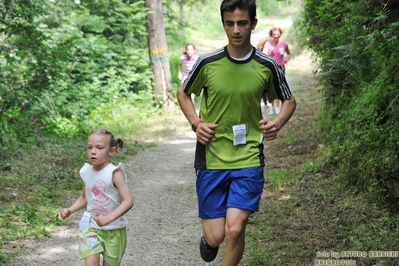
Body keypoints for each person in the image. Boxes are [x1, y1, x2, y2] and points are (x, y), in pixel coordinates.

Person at [176, 0, 296, 265]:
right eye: (230, 23)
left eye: (242, 23)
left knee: (235, 228)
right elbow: (183, 93)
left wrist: (277, 123)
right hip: (211, 157)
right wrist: (197, 123)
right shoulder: (207, 62)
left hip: (249, 157)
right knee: (217, 235)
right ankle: (209, 241)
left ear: (253, 23)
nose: (236, 30)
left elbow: (289, 100)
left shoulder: (267, 65)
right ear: (224, 25)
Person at [60, 128, 134, 266]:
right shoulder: (86, 171)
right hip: (92, 228)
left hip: (114, 229)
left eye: (99, 148)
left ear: (111, 151)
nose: (93, 151)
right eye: (89, 147)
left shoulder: (114, 173)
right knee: (90, 263)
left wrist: (108, 219)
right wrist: (71, 210)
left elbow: (128, 201)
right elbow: (84, 196)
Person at [260, 26, 291, 115]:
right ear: (271, 35)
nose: (276, 36)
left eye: (278, 34)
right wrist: (269, 54)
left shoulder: (284, 44)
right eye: (274, 34)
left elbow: (288, 54)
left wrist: (286, 59)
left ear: (280, 34)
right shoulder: (268, 44)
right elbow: (263, 55)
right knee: (270, 89)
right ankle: (273, 107)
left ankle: (276, 108)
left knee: (278, 88)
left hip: (281, 68)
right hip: (270, 69)